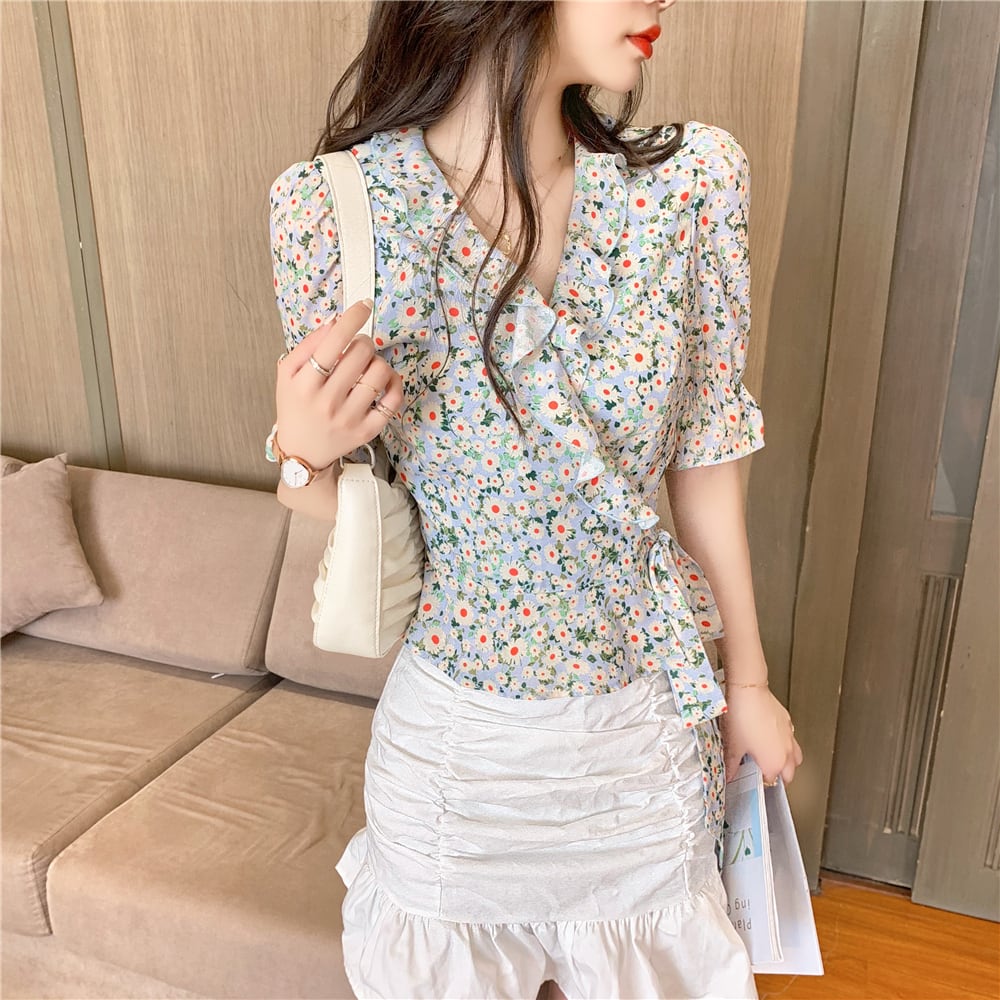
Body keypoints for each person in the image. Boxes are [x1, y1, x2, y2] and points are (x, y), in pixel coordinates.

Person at [267, 1, 803, 997]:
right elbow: (351, 504)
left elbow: (705, 457)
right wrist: (302, 451)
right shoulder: (331, 209)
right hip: (457, 757)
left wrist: (747, 681)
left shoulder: (687, 184)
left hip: (642, 738)